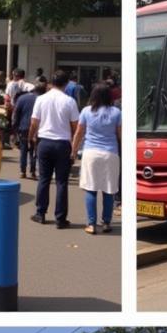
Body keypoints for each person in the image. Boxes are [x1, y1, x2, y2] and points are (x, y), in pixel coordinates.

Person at [28, 69, 79, 228]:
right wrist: (74, 148)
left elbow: (34, 122)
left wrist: (31, 138)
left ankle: (40, 213)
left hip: (44, 142)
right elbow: (75, 126)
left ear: (51, 82)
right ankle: (60, 218)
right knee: (61, 182)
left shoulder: (41, 99)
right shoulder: (69, 101)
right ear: (66, 83)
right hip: (63, 143)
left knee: (44, 179)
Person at [72, 82, 121, 234]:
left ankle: (91, 224)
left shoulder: (86, 111)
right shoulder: (116, 112)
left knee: (91, 189)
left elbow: (79, 133)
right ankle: (106, 222)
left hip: (91, 153)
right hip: (110, 153)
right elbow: (121, 135)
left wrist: (73, 151)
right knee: (109, 190)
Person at [13, 80, 45, 179]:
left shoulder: (22, 98)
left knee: (23, 149)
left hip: (23, 127)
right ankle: (33, 172)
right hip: (38, 128)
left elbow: (16, 114)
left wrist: (15, 128)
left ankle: (22, 171)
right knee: (34, 151)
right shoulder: (43, 100)